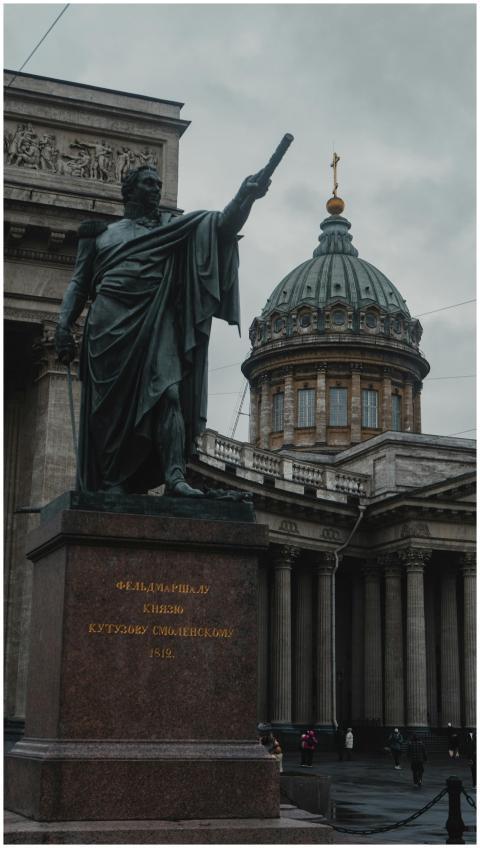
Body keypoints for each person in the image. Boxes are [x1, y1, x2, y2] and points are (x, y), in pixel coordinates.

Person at [55, 164, 270, 496]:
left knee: (168, 393)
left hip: (157, 320)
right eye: (148, 183)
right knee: (110, 414)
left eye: (159, 183)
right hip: (108, 327)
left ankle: (175, 474)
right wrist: (62, 326)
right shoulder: (99, 235)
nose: (156, 188)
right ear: (130, 190)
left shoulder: (174, 228)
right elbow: (78, 284)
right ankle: (115, 480)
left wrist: (246, 197)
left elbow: (221, 228)